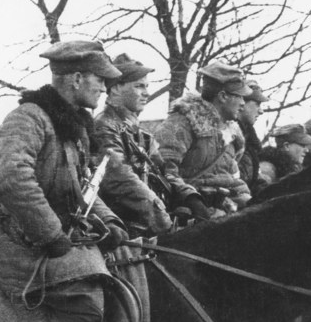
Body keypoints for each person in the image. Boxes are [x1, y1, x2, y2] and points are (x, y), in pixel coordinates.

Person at [0, 39, 130, 322]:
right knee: (87, 306)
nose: (104, 89)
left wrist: (110, 222)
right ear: (76, 78)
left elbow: (84, 188)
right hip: (23, 242)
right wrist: (51, 234)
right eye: (100, 80)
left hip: (58, 238)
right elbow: (10, 179)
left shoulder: (72, 125)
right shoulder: (28, 118)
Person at [93, 53, 205, 223]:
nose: (146, 93)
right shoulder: (104, 126)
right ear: (115, 88)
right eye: (139, 86)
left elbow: (165, 171)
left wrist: (189, 196)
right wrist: (163, 218)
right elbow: (119, 179)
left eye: (146, 86)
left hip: (147, 218)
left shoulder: (142, 136)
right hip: (123, 224)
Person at [155, 61, 253, 215]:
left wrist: (247, 197)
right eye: (239, 97)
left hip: (223, 209)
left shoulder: (232, 135)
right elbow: (162, 171)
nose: (243, 103)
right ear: (222, 96)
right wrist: (193, 200)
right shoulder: (182, 123)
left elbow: (229, 177)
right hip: (188, 211)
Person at [255, 124, 311, 190]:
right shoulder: (267, 169)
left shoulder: (293, 168)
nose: (307, 150)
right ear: (286, 146)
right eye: (302, 145)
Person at [237, 80, 268, 191]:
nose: (261, 111)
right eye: (257, 104)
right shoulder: (226, 135)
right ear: (242, 102)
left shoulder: (249, 140)